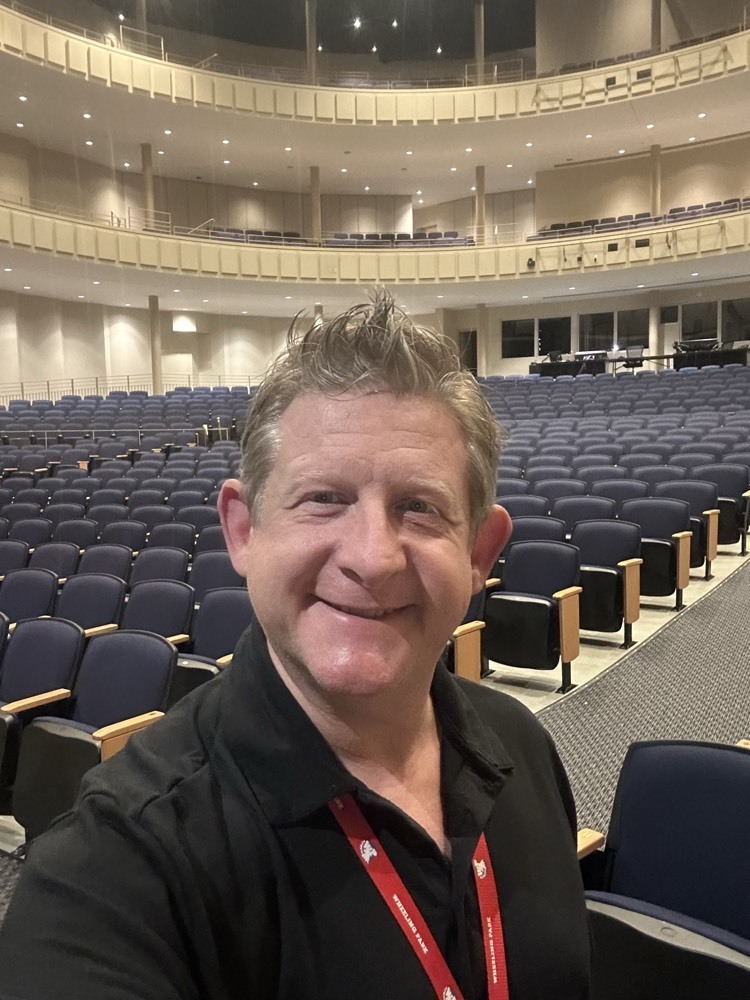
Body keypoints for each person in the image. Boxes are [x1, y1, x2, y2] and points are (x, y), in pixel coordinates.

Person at [0, 291, 590, 999]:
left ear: (479, 554)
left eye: (419, 507)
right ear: (244, 531)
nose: (373, 558)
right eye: (323, 499)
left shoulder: (522, 744)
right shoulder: (113, 870)